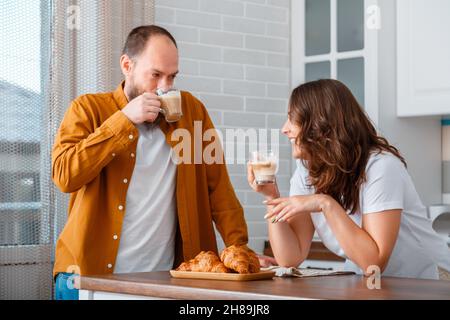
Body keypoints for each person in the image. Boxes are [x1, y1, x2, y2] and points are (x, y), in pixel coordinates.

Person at [52, 25, 248, 300]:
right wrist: (123, 120)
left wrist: (240, 248)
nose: (165, 87)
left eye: (172, 77)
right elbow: (64, 176)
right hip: (87, 279)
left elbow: (219, 190)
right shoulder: (87, 109)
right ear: (127, 65)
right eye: (155, 75)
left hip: (163, 284)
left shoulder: (193, 113)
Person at [248, 79, 450, 280]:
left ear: (321, 124)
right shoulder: (306, 171)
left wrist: (325, 203)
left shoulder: (380, 166)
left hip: (430, 281)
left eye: (292, 118)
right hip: (370, 283)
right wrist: (272, 198)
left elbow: (375, 262)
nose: (285, 129)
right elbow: (290, 257)